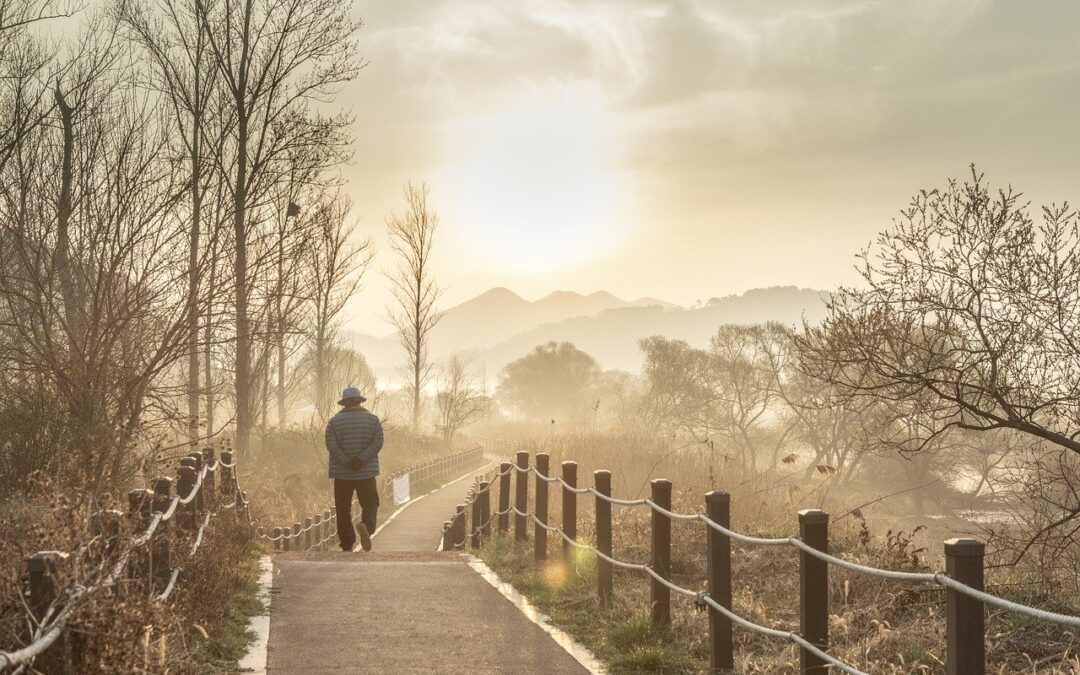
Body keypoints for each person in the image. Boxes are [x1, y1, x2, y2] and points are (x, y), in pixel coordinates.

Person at [325, 385, 383, 551]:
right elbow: (378, 442)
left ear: (344, 403)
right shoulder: (373, 420)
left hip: (342, 473)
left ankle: (347, 543)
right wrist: (361, 459)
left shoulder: (334, 422)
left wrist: (346, 461)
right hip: (366, 471)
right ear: (359, 401)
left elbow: (331, 445)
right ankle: (366, 527)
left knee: (343, 508)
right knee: (370, 503)